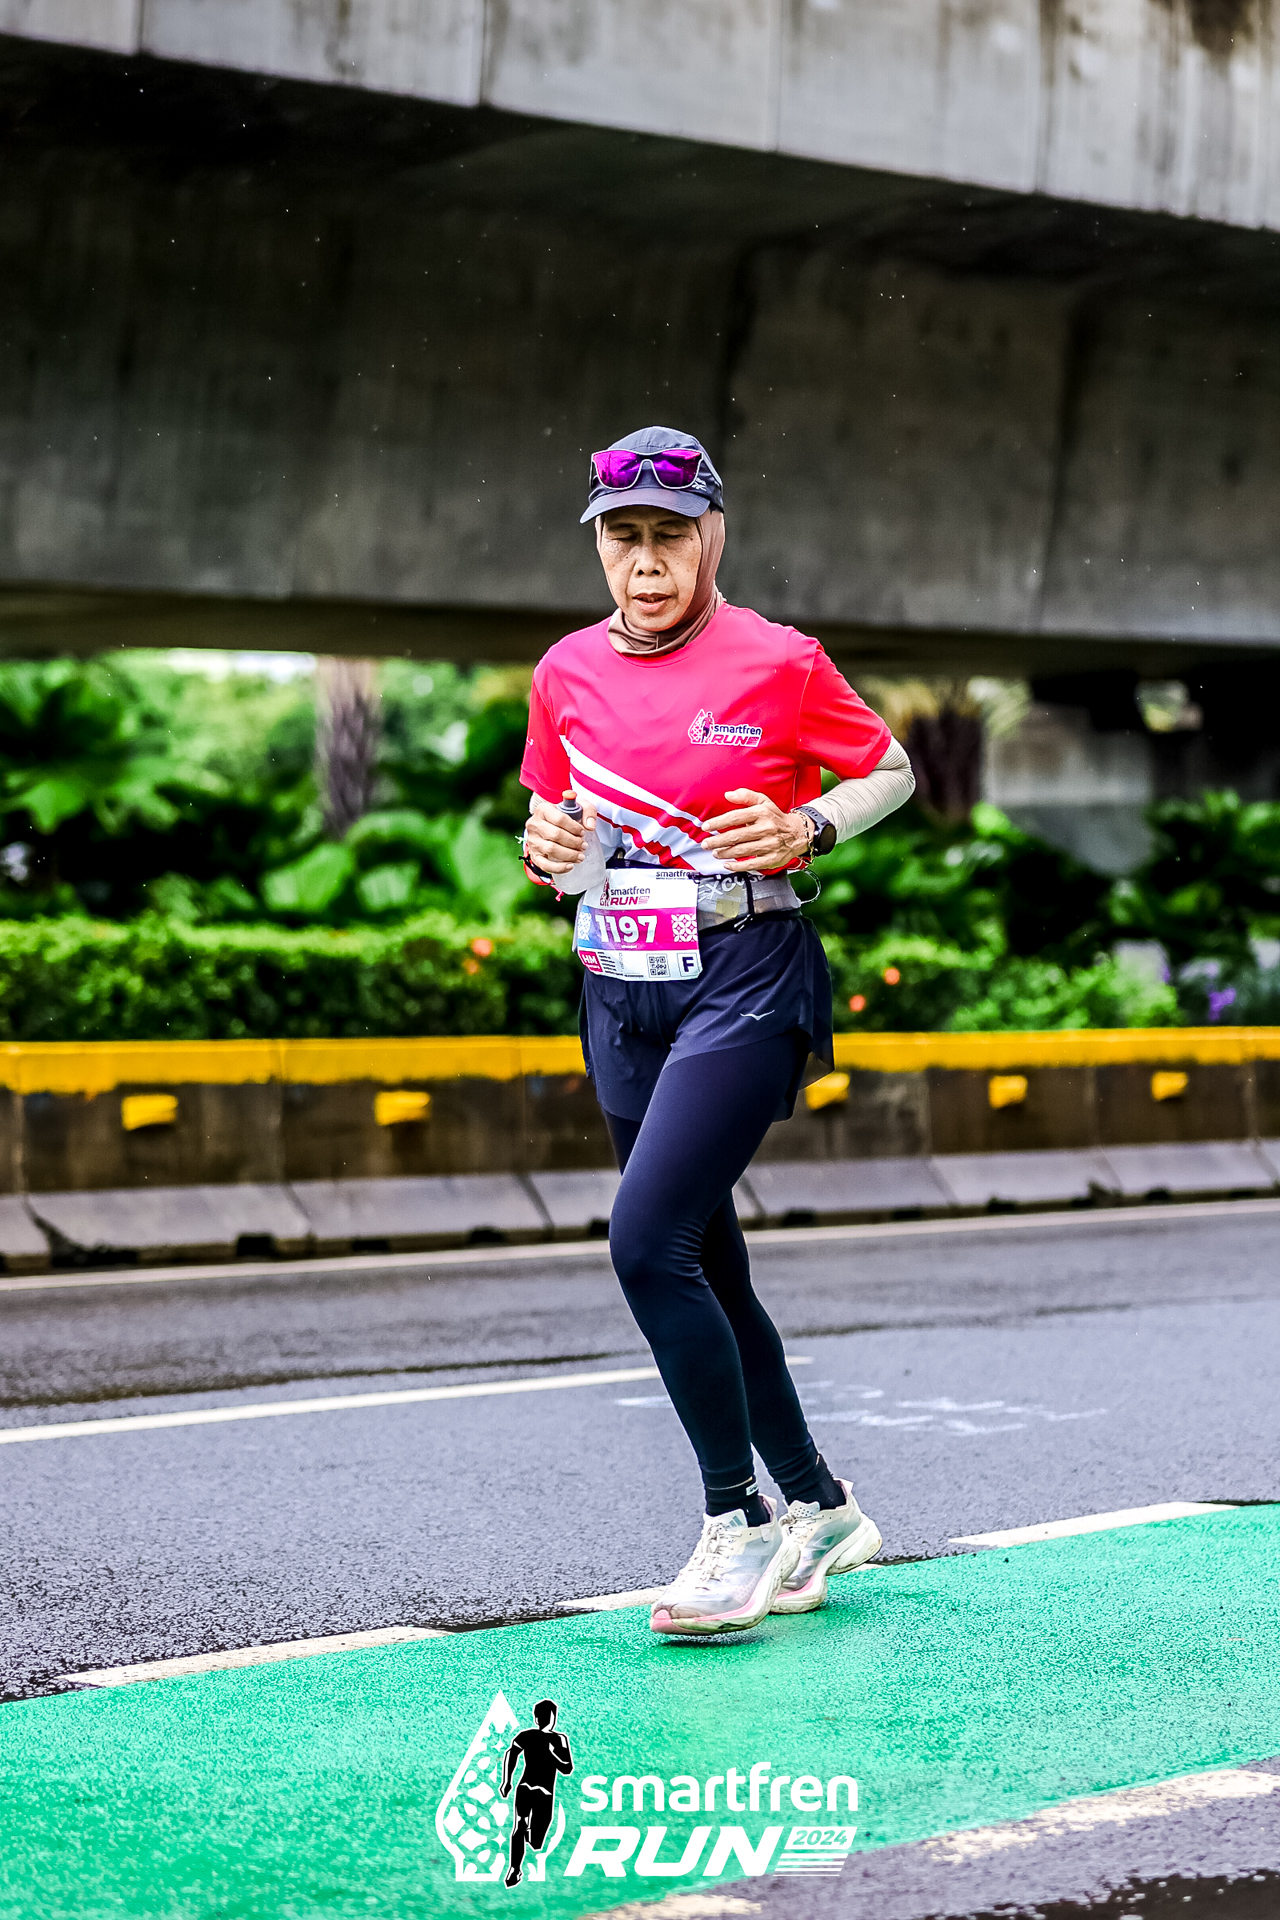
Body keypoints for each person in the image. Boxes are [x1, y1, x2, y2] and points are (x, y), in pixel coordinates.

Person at [520, 425, 916, 1636]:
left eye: (667, 536)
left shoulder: (778, 661)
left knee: (647, 1246)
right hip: (619, 984)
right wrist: (548, 851)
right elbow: (564, 835)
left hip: (745, 971)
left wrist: (809, 828)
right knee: (705, 1257)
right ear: (598, 543)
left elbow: (889, 769)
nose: (644, 563)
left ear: (711, 537)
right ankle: (820, 1504)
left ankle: (737, 1523)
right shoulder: (563, 672)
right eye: (622, 538)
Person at [499, 1698, 573, 1887]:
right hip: (529, 1788)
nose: (547, 1720)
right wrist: (506, 1780)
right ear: (537, 1718)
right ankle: (515, 1868)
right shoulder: (528, 1736)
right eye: (544, 1716)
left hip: (541, 1792)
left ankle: (525, 1838)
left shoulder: (559, 1739)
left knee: (536, 1841)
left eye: (549, 1716)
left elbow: (567, 1768)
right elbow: (511, 1754)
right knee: (520, 1824)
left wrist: (551, 1754)